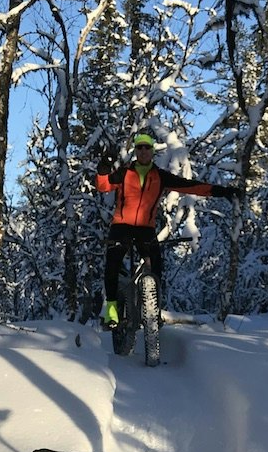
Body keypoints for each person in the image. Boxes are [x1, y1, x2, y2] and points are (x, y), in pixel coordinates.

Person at [95, 132, 238, 326]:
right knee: (112, 264)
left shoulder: (160, 176)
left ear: (152, 151)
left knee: (156, 268)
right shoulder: (124, 173)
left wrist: (220, 191)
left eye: (147, 147)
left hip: (145, 229)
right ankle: (112, 309)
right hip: (121, 226)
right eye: (140, 147)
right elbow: (103, 186)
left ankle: (153, 310)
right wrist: (104, 166)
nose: (143, 151)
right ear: (136, 151)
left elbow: (190, 186)